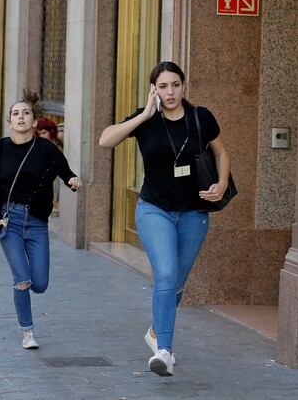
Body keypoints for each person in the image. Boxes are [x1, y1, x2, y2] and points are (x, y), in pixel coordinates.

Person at [98, 61, 232, 377]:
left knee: (176, 284)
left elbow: (222, 153)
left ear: (183, 86)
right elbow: (105, 140)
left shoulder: (201, 118)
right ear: (154, 89)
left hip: (194, 213)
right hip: (153, 209)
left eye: (175, 84)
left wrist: (222, 183)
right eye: (162, 86)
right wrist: (144, 115)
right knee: (167, 275)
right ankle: (164, 352)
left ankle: (157, 331)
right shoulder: (146, 121)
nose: (169, 92)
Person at [0, 89, 82, 350]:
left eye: (25, 113)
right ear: (9, 122)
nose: (20, 117)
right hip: (10, 222)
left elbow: (65, 170)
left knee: (40, 284)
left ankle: (27, 304)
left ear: (34, 121)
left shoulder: (46, 149)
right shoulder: (0, 148)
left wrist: (72, 180)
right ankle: (27, 332)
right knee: (22, 279)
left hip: (38, 223)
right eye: (15, 114)